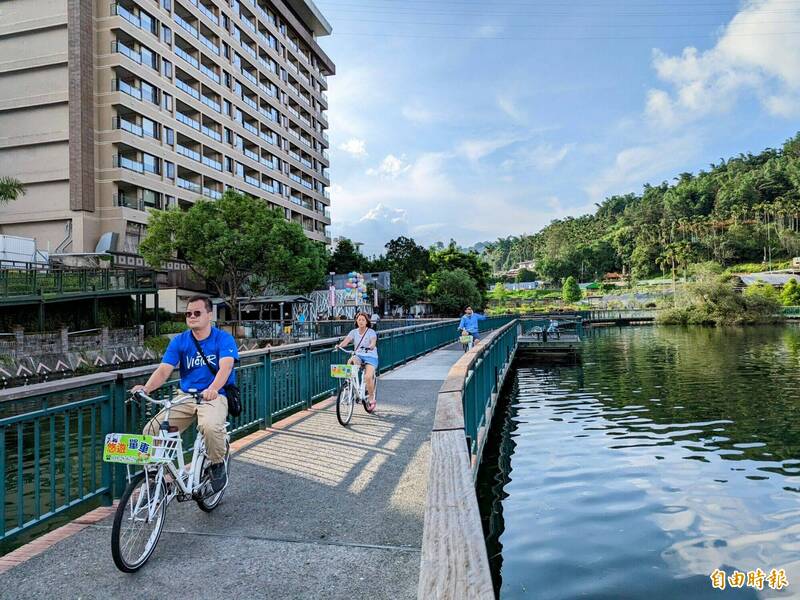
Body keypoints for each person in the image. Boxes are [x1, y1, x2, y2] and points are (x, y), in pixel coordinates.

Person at [131, 295, 238, 493]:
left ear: (209, 314)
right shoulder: (180, 341)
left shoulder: (223, 338)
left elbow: (226, 367)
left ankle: (217, 464)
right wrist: (145, 389)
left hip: (215, 395)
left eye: (197, 313)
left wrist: (213, 388)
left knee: (209, 426)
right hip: (186, 396)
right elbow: (164, 370)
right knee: (152, 430)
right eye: (188, 313)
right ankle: (163, 479)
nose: (192, 317)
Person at [335, 312, 378, 411]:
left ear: (367, 322)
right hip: (359, 355)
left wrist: (371, 346)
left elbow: (373, 342)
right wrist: (339, 346)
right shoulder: (353, 332)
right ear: (356, 321)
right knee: (351, 361)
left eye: (363, 320)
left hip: (370, 356)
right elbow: (346, 341)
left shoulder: (371, 332)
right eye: (359, 320)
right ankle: (349, 384)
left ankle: (371, 399)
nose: (361, 321)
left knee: (368, 377)